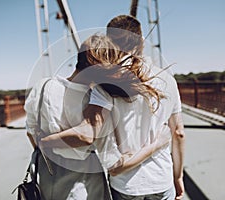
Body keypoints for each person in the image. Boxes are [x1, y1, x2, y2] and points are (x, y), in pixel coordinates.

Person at [40, 15, 185, 200]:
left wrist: (44, 141)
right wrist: (178, 176)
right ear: (141, 42)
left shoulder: (106, 83)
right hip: (161, 180)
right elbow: (179, 132)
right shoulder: (168, 80)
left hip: (126, 185)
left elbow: (89, 131)